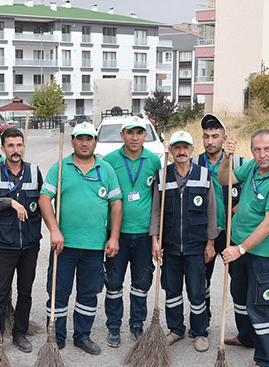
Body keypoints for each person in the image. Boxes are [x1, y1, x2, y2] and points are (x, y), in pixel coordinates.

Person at [39, 122, 123, 355]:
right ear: (73, 141)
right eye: (80, 138)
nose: (85, 143)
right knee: (58, 292)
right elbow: (45, 199)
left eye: (89, 138)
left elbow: (116, 204)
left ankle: (82, 336)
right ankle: (55, 336)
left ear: (95, 141)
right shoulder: (60, 167)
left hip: (95, 246)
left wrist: (114, 237)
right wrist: (54, 230)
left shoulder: (105, 169)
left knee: (88, 293)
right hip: (63, 246)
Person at [218, 129, 269, 367]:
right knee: (239, 295)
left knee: (261, 303)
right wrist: (226, 158)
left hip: (263, 252)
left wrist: (240, 249)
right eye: (257, 149)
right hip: (240, 244)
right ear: (251, 150)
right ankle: (246, 336)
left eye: (267, 149)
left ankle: (266, 359)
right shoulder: (251, 167)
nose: (262, 154)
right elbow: (224, 180)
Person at [0, 127, 43, 357]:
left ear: (23, 146)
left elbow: (44, 203)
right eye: (11, 146)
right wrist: (8, 203)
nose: (15, 150)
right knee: (0, 294)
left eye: (19, 145)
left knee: (25, 291)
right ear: (2, 149)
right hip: (3, 244)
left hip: (30, 244)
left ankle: (20, 333)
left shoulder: (34, 172)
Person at [150, 131, 218, 352]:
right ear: (170, 150)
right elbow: (155, 211)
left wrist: (210, 242)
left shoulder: (204, 175)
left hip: (196, 245)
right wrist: (155, 239)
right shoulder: (162, 176)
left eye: (185, 147)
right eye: (177, 147)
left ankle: (199, 332)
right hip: (169, 245)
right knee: (172, 290)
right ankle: (176, 329)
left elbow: (211, 211)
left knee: (197, 290)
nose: (181, 151)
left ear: (191, 149)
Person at [102, 116, 162, 346]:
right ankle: (114, 326)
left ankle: (137, 324)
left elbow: (159, 200)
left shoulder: (154, 161)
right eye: (130, 133)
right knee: (114, 282)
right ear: (122, 135)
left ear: (145, 135)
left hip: (144, 234)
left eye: (139, 133)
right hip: (117, 233)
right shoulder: (109, 161)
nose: (135, 137)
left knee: (141, 282)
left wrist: (157, 237)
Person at [192, 114, 243, 322]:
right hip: (204, 232)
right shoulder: (195, 163)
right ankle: (201, 325)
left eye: (215, 136)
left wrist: (241, 206)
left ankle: (245, 332)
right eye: (206, 136)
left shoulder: (239, 162)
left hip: (232, 232)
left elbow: (250, 191)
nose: (210, 141)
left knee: (240, 282)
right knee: (201, 280)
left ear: (225, 138)